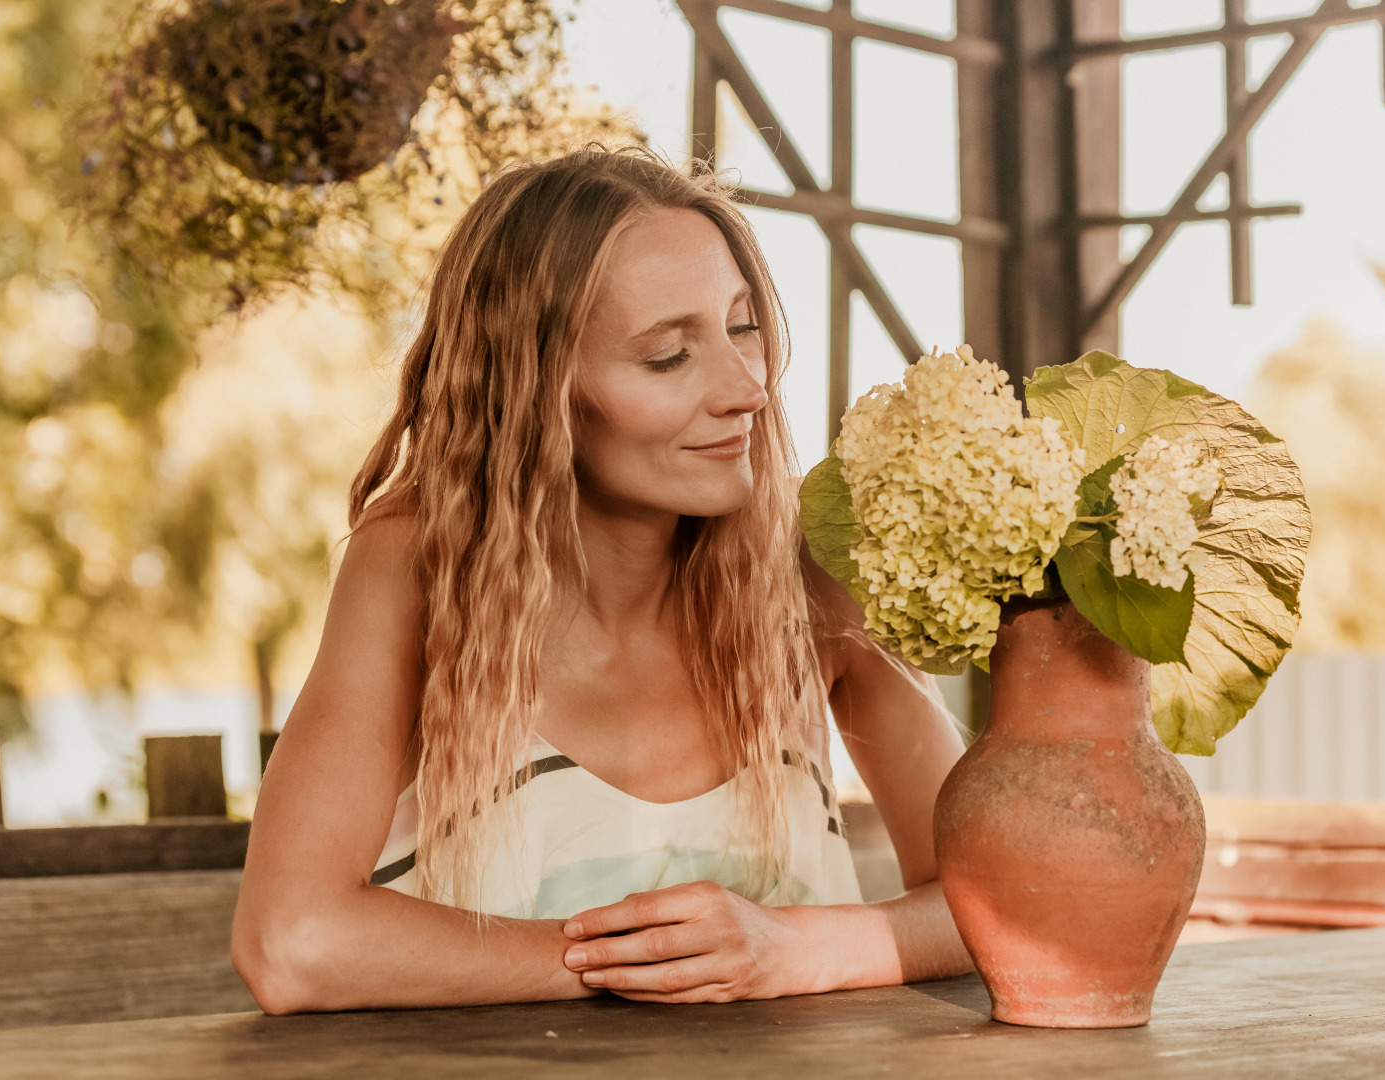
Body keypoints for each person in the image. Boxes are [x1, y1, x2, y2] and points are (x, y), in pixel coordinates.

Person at [231, 146, 973, 1011]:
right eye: (668, 356)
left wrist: (789, 950)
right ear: (534, 392)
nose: (749, 388)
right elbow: (292, 942)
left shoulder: (808, 579)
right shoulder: (420, 569)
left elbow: (1004, 903)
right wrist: (660, 963)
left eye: (742, 326)